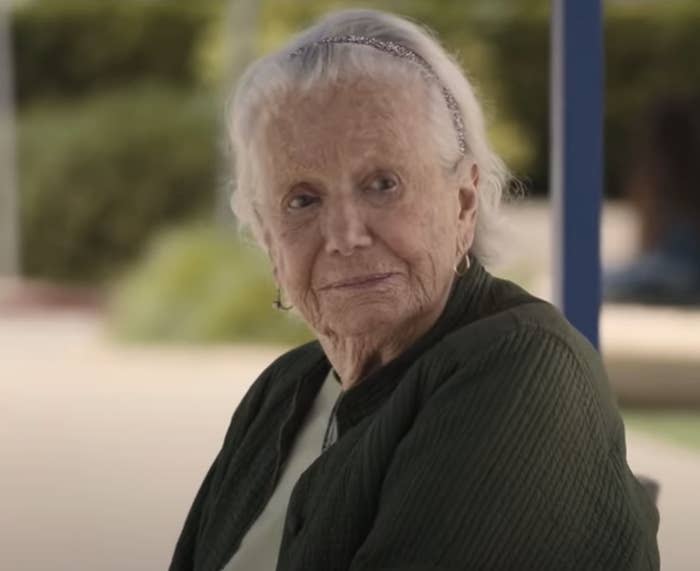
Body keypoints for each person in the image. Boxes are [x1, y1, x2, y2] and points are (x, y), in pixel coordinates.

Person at [170, 9, 659, 571]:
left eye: (383, 185)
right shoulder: (281, 392)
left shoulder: (524, 364)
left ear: (464, 202)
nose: (346, 236)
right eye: (302, 200)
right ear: (267, 238)